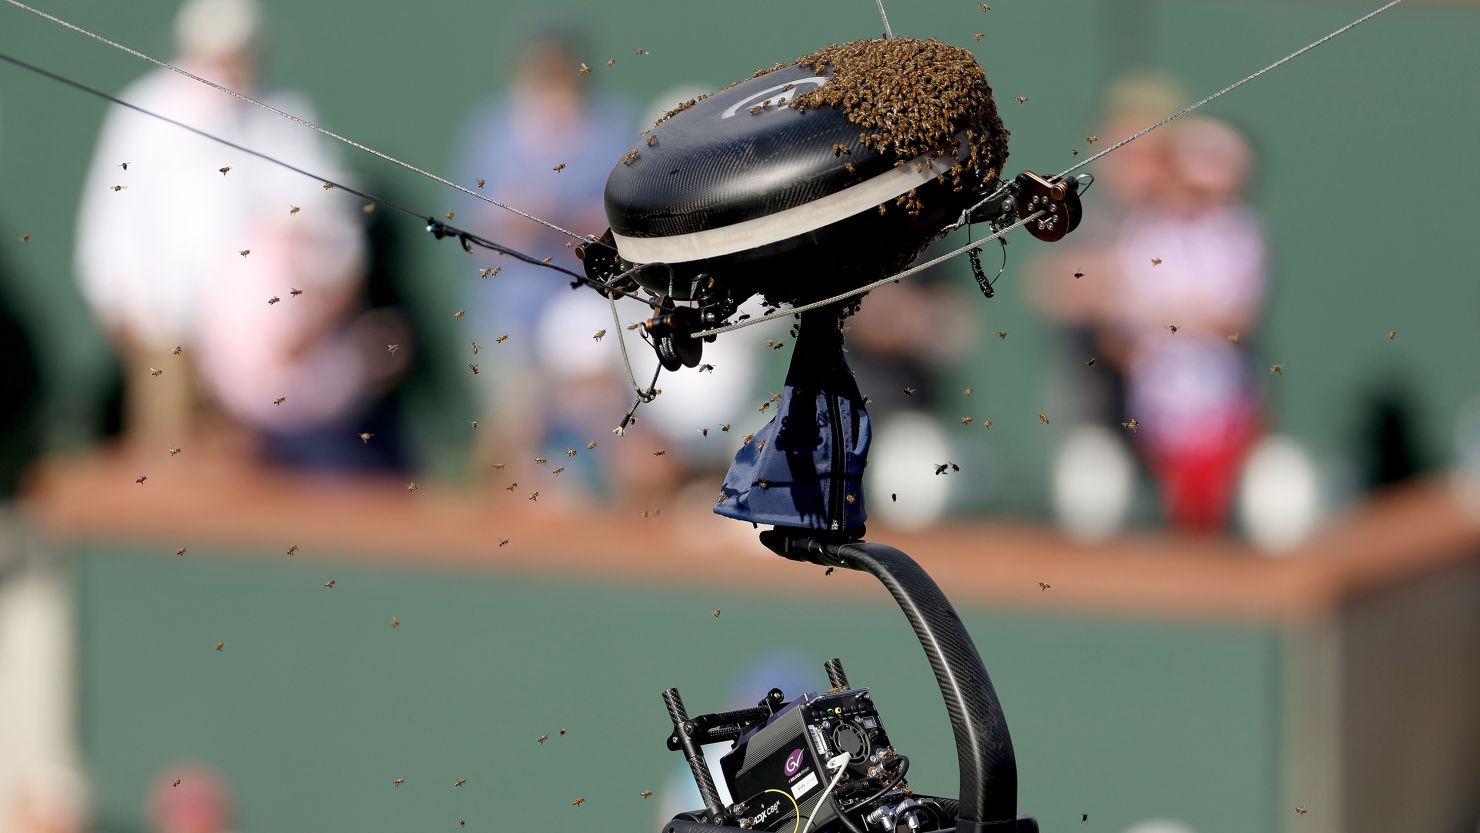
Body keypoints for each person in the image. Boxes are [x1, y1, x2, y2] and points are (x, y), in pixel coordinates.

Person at [74, 0, 375, 465]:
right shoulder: (145, 113)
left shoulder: (283, 115)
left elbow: (327, 215)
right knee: (168, 462)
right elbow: (112, 218)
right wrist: (122, 307)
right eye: (216, 52)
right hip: (168, 330)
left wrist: (320, 301)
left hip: (260, 348)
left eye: (239, 51)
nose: (229, 65)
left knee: (244, 470)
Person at [1032, 76, 1268, 535]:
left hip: (1200, 420)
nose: (1132, 165)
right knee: (1094, 483)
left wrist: (1143, 303)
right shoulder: (1093, 212)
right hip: (1106, 412)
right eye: (1121, 146)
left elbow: (1235, 313)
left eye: (1148, 151)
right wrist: (1121, 293)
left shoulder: (1218, 222)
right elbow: (1055, 286)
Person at [449, 24, 637, 494]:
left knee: (616, 437)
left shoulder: (611, 128)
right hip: (508, 316)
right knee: (513, 428)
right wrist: (516, 219)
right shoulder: (491, 131)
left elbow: (626, 224)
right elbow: (470, 230)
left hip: (587, 316)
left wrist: (566, 223)